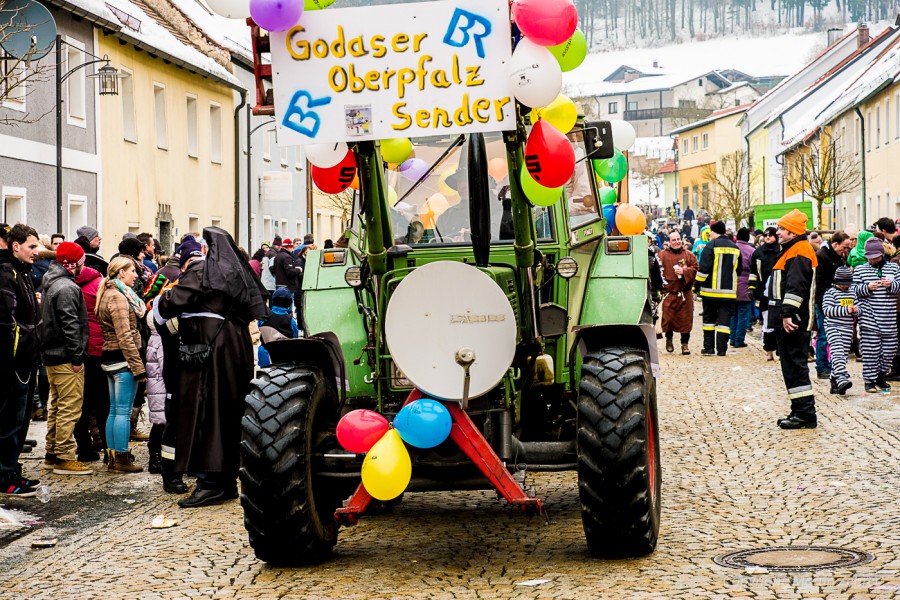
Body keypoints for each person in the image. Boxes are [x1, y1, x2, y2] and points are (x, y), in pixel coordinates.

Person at [155, 227, 268, 508]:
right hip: (233, 348)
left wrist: (159, 303)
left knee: (206, 414)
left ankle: (210, 483)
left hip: (209, 350)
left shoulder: (204, 271)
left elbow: (176, 300)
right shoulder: (235, 272)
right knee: (228, 413)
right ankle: (225, 481)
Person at [40, 242, 92, 475]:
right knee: (70, 407)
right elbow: (71, 325)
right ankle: (63, 456)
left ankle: (52, 452)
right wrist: (77, 356)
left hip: (53, 355)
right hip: (66, 357)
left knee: (57, 405)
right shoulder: (67, 288)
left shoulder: (51, 281)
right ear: (74, 265)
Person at [0, 224, 43, 496]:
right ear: (15, 246)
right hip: (13, 362)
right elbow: (7, 322)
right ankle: (5, 478)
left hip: (27, 359)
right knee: (9, 423)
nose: (36, 252)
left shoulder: (24, 272)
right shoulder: (6, 273)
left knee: (21, 423)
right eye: (31, 247)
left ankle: (13, 471)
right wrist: (17, 353)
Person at [96, 256, 147, 473]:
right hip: (122, 360)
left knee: (114, 411)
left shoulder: (107, 292)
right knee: (122, 412)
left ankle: (112, 456)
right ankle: (122, 458)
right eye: (132, 271)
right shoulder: (117, 297)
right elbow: (125, 335)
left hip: (110, 357)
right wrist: (138, 367)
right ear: (121, 273)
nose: (136, 275)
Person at [768, 210, 818, 429]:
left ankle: (805, 415)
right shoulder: (795, 250)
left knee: (795, 368)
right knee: (792, 367)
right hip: (791, 319)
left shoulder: (798, 252)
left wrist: (788, 314)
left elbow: (795, 288)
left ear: (793, 231)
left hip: (793, 321)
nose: (778, 232)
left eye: (781, 229)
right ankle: (799, 410)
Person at [852, 237, 900, 393]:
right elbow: (854, 290)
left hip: (889, 317)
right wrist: (867, 288)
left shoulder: (893, 268)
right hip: (869, 317)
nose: (871, 260)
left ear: (881, 254)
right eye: (868, 257)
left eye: (874, 257)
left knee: (890, 350)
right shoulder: (860, 269)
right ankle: (869, 380)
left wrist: (891, 285)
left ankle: (880, 375)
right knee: (870, 350)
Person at [74, 261, 108, 460]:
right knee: (103, 402)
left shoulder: (73, 284)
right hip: (99, 348)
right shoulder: (99, 284)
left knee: (83, 403)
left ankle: (84, 447)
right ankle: (106, 447)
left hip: (82, 348)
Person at [695, 220, 741, 356]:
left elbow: (704, 269)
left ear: (714, 232)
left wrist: (696, 285)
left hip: (710, 292)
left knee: (709, 320)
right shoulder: (735, 247)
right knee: (724, 322)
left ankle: (709, 348)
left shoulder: (710, 246)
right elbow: (739, 269)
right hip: (728, 293)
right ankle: (722, 349)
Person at [813, 231, 851, 380]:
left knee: (833, 337)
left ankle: (833, 366)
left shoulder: (838, 256)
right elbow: (820, 283)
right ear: (835, 244)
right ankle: (822, 367)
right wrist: (824, 305)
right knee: (823, 335)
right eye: (844, 247)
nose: (846, 251)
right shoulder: (822, 257)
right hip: (824, 301)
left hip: (835, 299)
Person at [658, 231, 698, 355]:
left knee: (686, 320)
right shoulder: (662, 255)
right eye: (673, 240)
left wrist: (685, 271)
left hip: (684, 294)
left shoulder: (689, 255)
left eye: (678, 239)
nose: (676, 242)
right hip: (669, 293)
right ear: (669, 242)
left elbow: (696, 268)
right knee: (668, 320)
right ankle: (669, 340)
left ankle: (684, 344)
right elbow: (657, 272)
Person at [822, 266, 856, 395]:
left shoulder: (852, 293)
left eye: (846, 284)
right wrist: (846, 310)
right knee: (837, 353)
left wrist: (857, 311)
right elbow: (827, 310)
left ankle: (834, 381)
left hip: (847, 329)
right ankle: (842, 377)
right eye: (841, 283)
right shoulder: (830, 293)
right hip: (833, 327)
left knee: (843, 356)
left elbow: (859, 308)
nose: (844, 286)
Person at [749, 227, 781, 360]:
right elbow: (753, 272)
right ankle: (769, 351)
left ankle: (780, 351)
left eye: (771, 235)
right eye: (766, 235)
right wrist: (751, 288)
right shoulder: (758, 253)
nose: (768, 237)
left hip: (779, 291)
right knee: (767, 322)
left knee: (779, 322)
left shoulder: (781, 250)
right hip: (763, 292)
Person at [257, 288, 300, 368]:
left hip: (266, 357)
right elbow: (295, 339)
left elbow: (260, 328)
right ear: (289, 303)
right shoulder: (291, 321)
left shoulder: (264, 317)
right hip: (284, 359)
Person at [730, 228, 755, 349]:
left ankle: (732, 338)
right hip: (746, 284)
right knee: (744, 314)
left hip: (732, 283)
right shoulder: (752, 250)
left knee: (733, 314)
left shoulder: (732, 248)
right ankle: (739, 339)